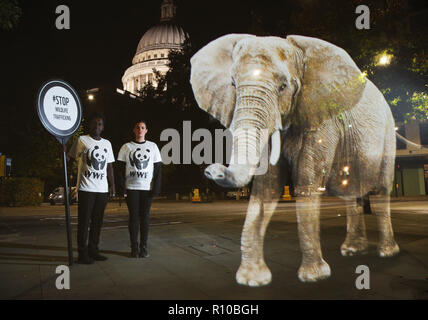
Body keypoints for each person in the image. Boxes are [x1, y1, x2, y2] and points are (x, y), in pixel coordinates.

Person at [68, 113, 115, 264]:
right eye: (94, 123)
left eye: (100, 124)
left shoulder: (107, 144)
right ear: (90, 125)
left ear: (103, 127)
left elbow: (109, 166)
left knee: (97, 222)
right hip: (86, 189)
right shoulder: (82, 140)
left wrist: (112, 185)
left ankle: (93, 250)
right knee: (84, 222)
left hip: (102, 190)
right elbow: (69, 157)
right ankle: (82, 253)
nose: (97, 126)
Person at [117, 120, 162, 258]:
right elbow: (119, 169)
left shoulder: (153, 147)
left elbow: (158, 169)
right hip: (131, 187)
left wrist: (156, 188)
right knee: (133, 218)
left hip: (146, 188)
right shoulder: (126, 147)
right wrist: (122, 188)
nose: (140, 129)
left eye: (143, 127)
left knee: (145, 218)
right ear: (134, 130)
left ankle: (144, 247)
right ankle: (134, 247)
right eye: (137, 127)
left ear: (146, 131)